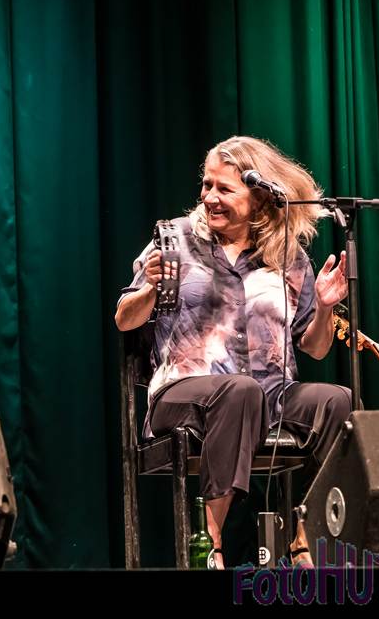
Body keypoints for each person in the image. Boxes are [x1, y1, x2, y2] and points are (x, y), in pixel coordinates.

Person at [114, 136, 351, 569]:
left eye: (224, 189)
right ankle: (212, 545)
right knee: (240, 391)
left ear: (259, 197)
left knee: (338, 401)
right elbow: (124, 320)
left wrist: (324, 307)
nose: (209, 197)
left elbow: (315, 348)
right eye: (207, 185)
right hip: (185, 394)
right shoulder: (176, 239)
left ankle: (307, 535)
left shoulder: (288, 257)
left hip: (271, 396)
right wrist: (150, 288)